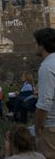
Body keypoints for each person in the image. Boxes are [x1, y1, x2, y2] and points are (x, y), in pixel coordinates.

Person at [34, 28, 55, 158]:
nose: (34, 46)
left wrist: (37, 127)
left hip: (51, 126)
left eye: (35, 43)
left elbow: (44, 103)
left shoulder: (47, 67)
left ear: (42, 46)